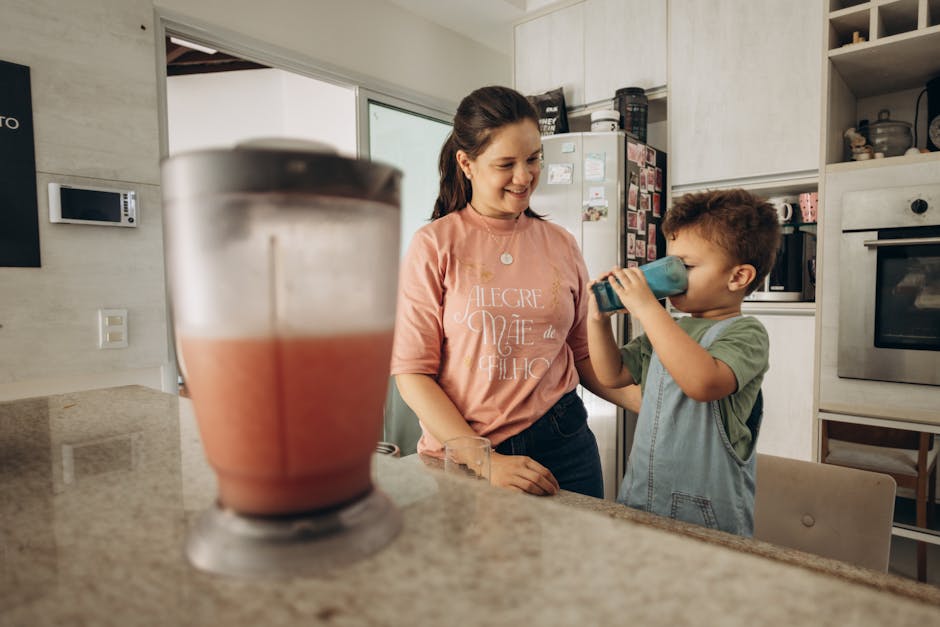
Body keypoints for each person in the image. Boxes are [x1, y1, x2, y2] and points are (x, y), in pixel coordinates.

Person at [391, 85, 636, 498]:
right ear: (467, 164)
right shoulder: (434, 244)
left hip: (564, 442)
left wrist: (658, 408)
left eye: (534, 158)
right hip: (463, 453)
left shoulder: (561, 243)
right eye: (506, 164)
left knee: (576, 563)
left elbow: (582, 355)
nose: (524, 177)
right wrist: (485, 460)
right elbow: (412, 374)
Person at [586, 189, 780, 536]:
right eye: (670, 262)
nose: (673, 274)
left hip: (706, 514)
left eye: (685, 266)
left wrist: (647, 308)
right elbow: (612, 374)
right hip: (641, 497)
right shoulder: (670, 329)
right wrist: (598, 320)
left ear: (738, 277)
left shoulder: (747, 333)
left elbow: (703, 383)